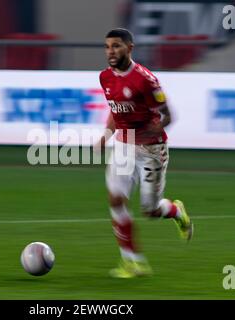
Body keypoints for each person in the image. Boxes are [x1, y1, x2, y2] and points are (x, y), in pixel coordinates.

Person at [95, 28, 193, 278]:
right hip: (124, 145)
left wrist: (147, 136)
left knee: (150, 210)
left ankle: (175, 211)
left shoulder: (145, 80)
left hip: (151, 150)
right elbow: (115, 110)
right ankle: (133, 262)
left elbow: (168, 116)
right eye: (107, 47)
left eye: (116, 46)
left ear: (130, 48)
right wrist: (106, 136)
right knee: (116, 200)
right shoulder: (105, 77)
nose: (111, 51)